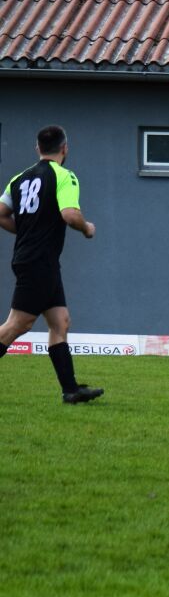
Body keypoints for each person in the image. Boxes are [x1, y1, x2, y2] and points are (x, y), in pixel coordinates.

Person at [0, 125, 102, 404]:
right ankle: (70, 389)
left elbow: (1, 213)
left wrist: (25, 230)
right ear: (65, 148)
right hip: (39, 262)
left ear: (38, 149)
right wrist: (87, 228)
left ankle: (71, 390)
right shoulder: (64, 176)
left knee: (60, 322)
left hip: (37, 260)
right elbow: (70, 214)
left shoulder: (19, 179)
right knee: (18, 324)